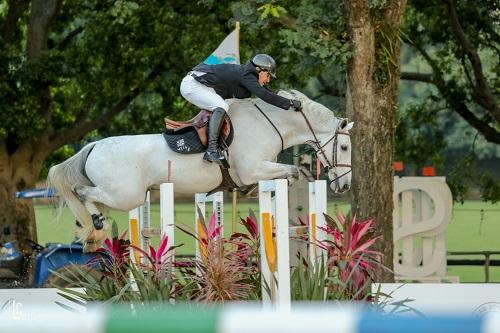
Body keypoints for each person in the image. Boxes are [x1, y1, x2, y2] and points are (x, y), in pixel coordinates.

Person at [180, 54, 302, 165]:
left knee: (223, 106)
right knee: (222, 106)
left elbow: (268, 93)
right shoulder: (247, 75)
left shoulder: (248, 75)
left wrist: (289, 103)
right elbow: (265, 96)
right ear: (260, 70)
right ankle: (211, 150)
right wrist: (290, 103)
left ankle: (213, 146)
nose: (268, 80)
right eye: (268, 75)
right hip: (192, 85)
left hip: (200, 86)